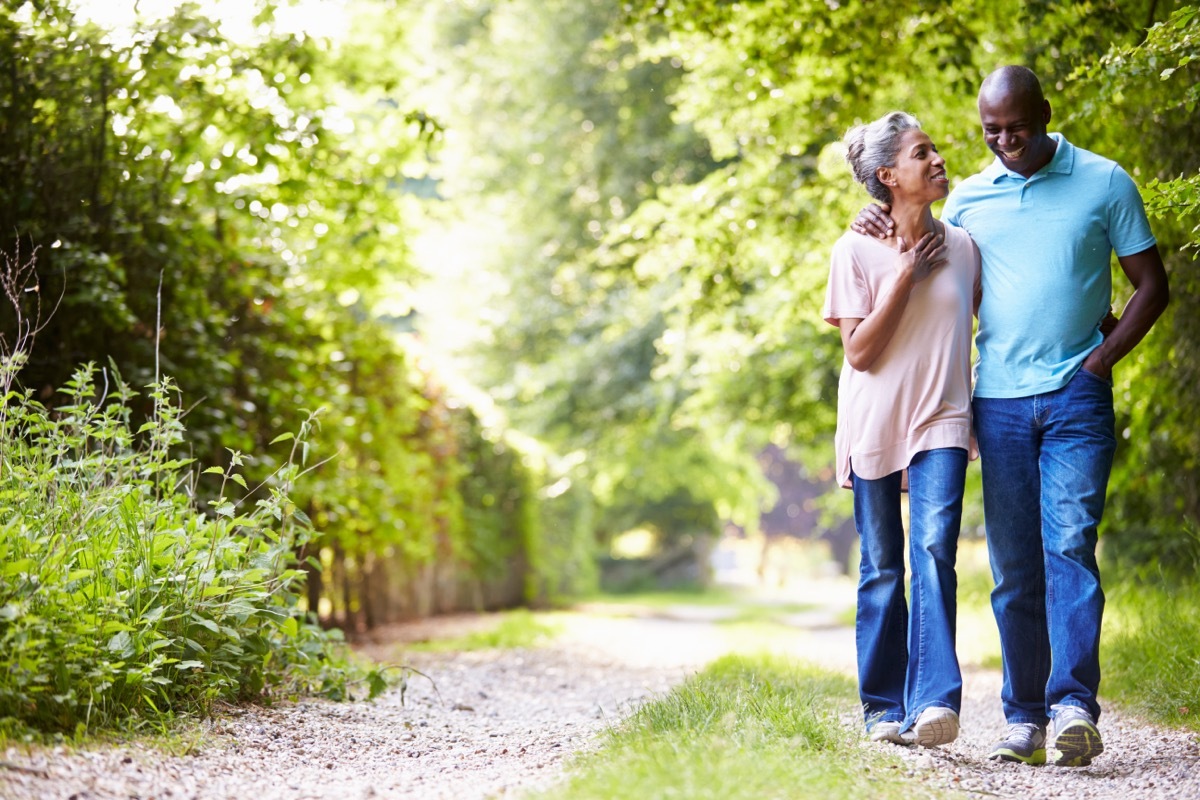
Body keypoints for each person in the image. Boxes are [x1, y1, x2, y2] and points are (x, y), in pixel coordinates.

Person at [853, 66, 1170, 767]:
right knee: (1014, 565)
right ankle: (1023, 718)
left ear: (1046, 114)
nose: (1006, 141)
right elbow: (920, 257)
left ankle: (1072, 707)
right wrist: (873, 213)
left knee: (1071, 545)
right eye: (991, 131)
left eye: (1017, 127)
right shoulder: (968, 200)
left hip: (1075, 396)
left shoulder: (1105, 181)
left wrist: (1102, 359)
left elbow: (1153, 285)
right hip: (995, 400)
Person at [823, 111, 981, 748]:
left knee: (935, 549)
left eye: (935, 148)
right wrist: (904, 276)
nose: (939, 158)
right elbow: (859, 352)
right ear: (889, 176)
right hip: (875, 424)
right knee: (884, 566)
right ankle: (882, 707)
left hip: (943, 416)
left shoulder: (966, 246)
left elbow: (996, 321)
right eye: (923, 153)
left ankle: (935, 703)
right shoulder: (853, 249)